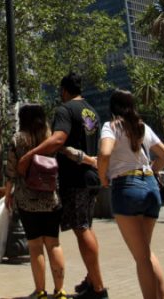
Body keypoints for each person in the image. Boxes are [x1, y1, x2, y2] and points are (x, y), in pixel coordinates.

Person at [18, 72, 107, 299]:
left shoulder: (65, 110)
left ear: (64, 90)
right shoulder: (91, 111)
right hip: (91, 176)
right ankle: (92, 280)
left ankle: (98, 288)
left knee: (81, 228)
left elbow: (58, 139)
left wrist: (30, 154)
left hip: (76, 178)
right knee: (87, 227)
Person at [98, 90, 164, 299]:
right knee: (146, 251)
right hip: (150, 186)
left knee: (141, 257)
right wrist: (151, 172)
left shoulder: (111, 126)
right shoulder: (142, 127)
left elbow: (104, 153)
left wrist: (103, 178)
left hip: (126, 187)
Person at [6, 103, 68, 299]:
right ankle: (60, 291)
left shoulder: (18, 139)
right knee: (54, 244)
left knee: (35, 246)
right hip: (51, 198)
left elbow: (11, 171)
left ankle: (40, 291)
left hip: (27, 199)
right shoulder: (51, 138)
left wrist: (7, 195)